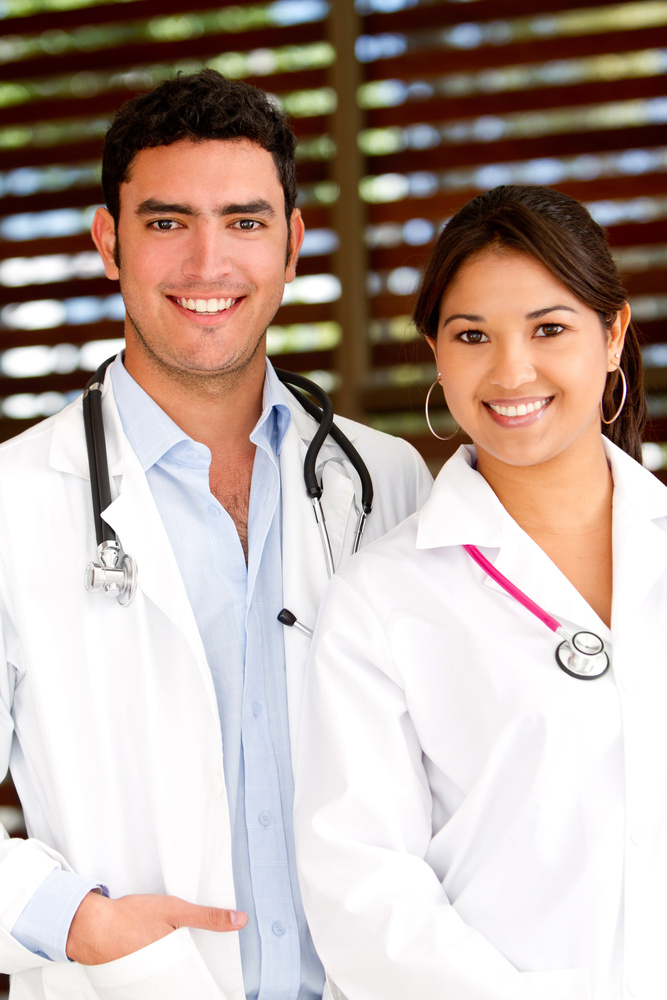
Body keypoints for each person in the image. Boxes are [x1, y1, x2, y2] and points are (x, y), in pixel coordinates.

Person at [0, 70, 432, 1000]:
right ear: (109, 242)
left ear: (292, 246)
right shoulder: (14, 502)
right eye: (165, 223)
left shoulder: (386, 481)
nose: (207, 263)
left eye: (243, 221)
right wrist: (76, 922)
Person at [293, 184, 665, 1000]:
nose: (510, 370)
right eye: (472, 335)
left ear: (613, 336)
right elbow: (362, 888)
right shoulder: (382, 599)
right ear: (435, 350)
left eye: (549, 329)